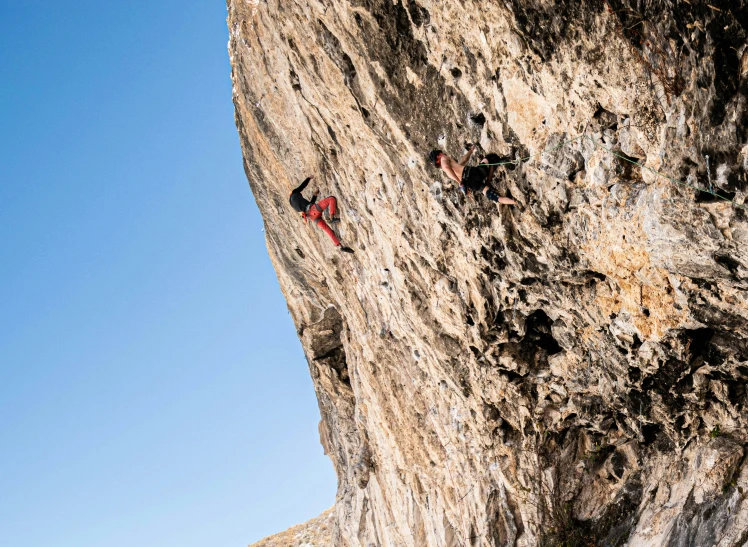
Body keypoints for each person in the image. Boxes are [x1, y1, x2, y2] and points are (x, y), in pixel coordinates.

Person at [429, 145, 516, 205]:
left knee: (495, 197)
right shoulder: (443, 159)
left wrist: (470, 151)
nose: (443, 153)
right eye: (441, 153)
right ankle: (509, 161)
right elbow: (447, 168)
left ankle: (515, 202)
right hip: (471, 173)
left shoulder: (452, 168)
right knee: (491, 158)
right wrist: (460, 182)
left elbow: (463, 161)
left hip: (470, 184)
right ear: (438, 156)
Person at [289, 176, 354, 253]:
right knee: (331, 199)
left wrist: (315, 195)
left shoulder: (293, 205)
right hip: (313, 210)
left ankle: (340, 246)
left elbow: (307, 206)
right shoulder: (294, 193)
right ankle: (332, 217)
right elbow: (302, 186)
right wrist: (308, 178)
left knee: (328, 230)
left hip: (311, 217)